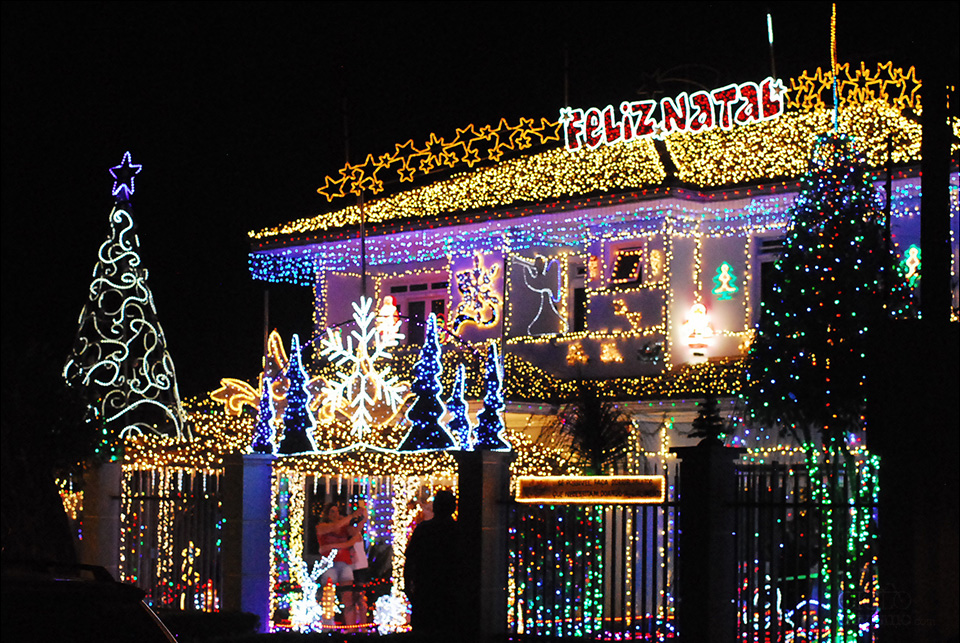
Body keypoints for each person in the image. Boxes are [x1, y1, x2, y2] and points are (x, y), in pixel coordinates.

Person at [403, 489, 463, 637]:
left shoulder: (423, 529)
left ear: (436, 507)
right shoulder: (458, 531)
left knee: (424, 632)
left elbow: (410, 559)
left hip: (426, 588)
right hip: (449, 591)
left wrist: (408, 586)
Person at [316, 502, 365, 625]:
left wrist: (362, 517)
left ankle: (351, 628)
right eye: (332, 511)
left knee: (348, 597)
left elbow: (355, 533)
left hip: (344, 562)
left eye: (337, 511)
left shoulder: (344, 527)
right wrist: (351, 516)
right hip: (329, 564)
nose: (335, 514)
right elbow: (334, 527)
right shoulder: (321, 526)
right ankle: (327, 626)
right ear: (327, 514)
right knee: (328, 595)